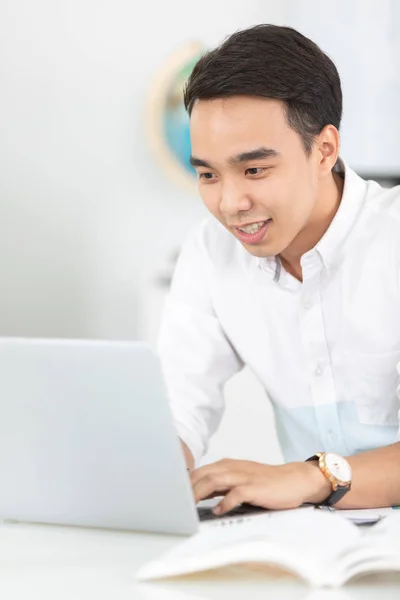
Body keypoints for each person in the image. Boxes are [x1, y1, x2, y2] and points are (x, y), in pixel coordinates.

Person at [157, 24, 400, 515]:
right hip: (312, 546)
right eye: (207, 174)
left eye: (254, 170)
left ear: (324, 150)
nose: (229, 203)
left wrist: (314, 477)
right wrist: (158, 474)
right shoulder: (210, 253)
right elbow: (174, 406)